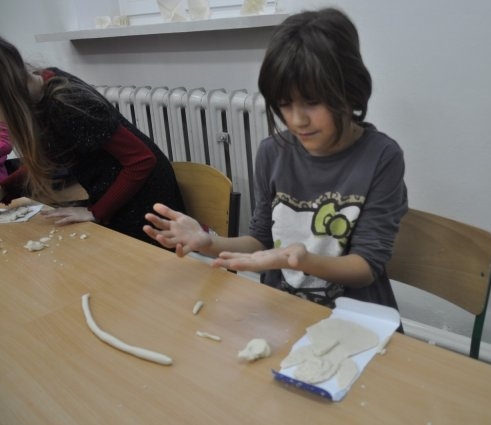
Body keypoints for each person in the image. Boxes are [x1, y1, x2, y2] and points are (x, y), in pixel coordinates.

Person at [144, 8, 408, 310]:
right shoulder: (272, 152)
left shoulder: (381, 157)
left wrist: (302, 260)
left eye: (312, 102)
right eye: (284, 104)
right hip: (282, 310)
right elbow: (260, 240)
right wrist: (209, 242)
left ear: (350, 88)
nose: (297, 120)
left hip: (355, 316)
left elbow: (366, 266)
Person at [0, 37, 185, 245]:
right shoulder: (40, 90)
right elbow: (53, 154)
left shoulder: (67, 102)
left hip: (144, 202)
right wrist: (6, 188)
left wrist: (95, 212)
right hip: (115, 196)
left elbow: (141, 160)